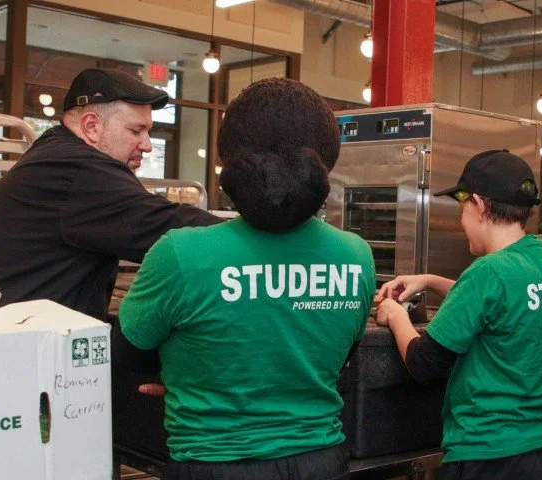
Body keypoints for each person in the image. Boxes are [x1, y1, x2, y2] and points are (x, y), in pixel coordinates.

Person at [119, 78, 376, 480]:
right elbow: (340, 357)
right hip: (320, 463)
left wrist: (193, 378)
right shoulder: (356, 256)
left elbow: (131, 354)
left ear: (230, 159)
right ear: (327, 159)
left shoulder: (180, 254)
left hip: (211, 464)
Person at [0, 68, 219, 320]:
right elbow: (167, 228)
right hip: (23, 348)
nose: (148, 145)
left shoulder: (57, 155)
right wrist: (248, 233)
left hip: (28, 331)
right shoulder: (74, 167)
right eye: (135, 131)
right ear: (92, 126)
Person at [376, 150, 542, 480]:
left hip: (490, 456)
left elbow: (424, 364)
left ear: (479, 205)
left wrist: (395, 315)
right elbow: (504, 305)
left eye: (461, 209)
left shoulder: (488, 272)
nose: (460, 220)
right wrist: (429, 281)